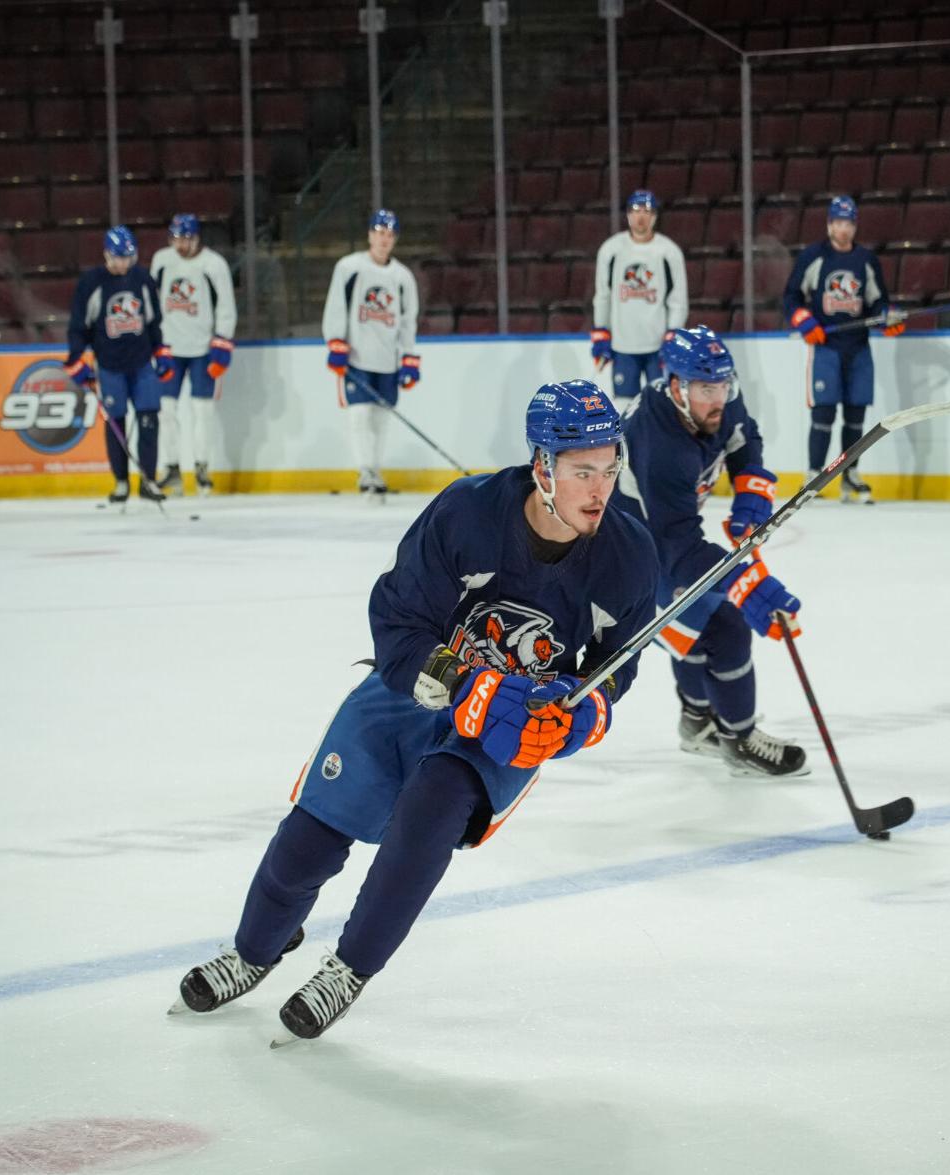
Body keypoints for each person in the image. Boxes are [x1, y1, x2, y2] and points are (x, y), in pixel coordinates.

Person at [172, 380, 658, 1043]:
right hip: (413, 692)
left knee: (430, 812)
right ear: (542, 466)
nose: (598, 488)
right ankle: (256, 948)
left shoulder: (627, 553)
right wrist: (468, 689)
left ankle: (348, 967)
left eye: (608, 467)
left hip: (507, 723)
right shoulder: (468, 514)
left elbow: (614, 667)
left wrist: (578, 715)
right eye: (581, 471)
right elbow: (396, 625)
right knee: (308, 840)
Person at [612, 325, 809, 778]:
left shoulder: (716, 396)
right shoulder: (660, 444)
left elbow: (745, 436)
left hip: (659, 538)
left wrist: (750, 493)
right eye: (706, 389)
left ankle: (699, 722)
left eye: (724, 385)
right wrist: (746, 582)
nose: (718, 397)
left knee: (699, 629)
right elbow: (677, 546)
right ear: (676, 386)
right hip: (628, 552)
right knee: (726, 624)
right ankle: (738, 740)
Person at [782, 195, 908, 506]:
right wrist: (803, 319)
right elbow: (791, 297)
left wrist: (886, 316)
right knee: (823, 413)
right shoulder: (813, 256)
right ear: (829, 224)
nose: (843, 229)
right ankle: (814, 475)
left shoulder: (865, 260)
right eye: (838, 222)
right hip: (825, 347)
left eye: (848, 223)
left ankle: (850, 474)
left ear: (855, 225)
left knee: (855, 416)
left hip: (858, 346)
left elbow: (878, 301)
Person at [64, 225, 174, 504]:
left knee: (149, 419)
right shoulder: (92, 283)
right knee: (117, 423)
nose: (123, 263)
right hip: (110, 366)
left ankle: (148, 480)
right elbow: (79, 327)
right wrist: (77, 359)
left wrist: (161, 349)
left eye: (128, 257)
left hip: (141, 364)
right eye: (118, 258)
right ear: (106, 255)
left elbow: (153, 320)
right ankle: (122, 482)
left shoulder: (142, 278)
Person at [322, 209, 420, 495]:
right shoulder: (349, 268)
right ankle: (365, 472)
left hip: (387, 360)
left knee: (381, 418)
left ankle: (375, 471)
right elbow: (336, 306)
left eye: (389, 235)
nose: (383, 239)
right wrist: (336, 342)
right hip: (357, 358)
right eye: (379, 233)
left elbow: (407, 320)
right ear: (369, 235)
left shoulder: (402, 277)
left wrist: (409, 357)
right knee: (359, 415)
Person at [149, 213, 237, 497]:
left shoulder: (213, 265)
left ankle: (201, 467)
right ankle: (172, 469)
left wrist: (222, 343)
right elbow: (151, 301)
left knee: (203, 411)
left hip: (202, 349)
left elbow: (226, 305)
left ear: (197, 238)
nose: (181, 245)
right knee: (166, 411)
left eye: (186, 239)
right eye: (177, 238)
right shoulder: (162, 260)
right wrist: (154, 341)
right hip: (170, 349)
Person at [591, 189, 687, 408]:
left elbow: (678, 298)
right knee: (626, 408)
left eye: (646, 211)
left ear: (654, 216)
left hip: (658, 347)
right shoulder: (611, 250)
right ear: (627, 214)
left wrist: (673, 332)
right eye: (635, 211)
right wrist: (600, 332)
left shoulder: (668, 252)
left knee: (663, 406)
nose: (640, 217)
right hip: (623, 346)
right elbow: (603, 295)